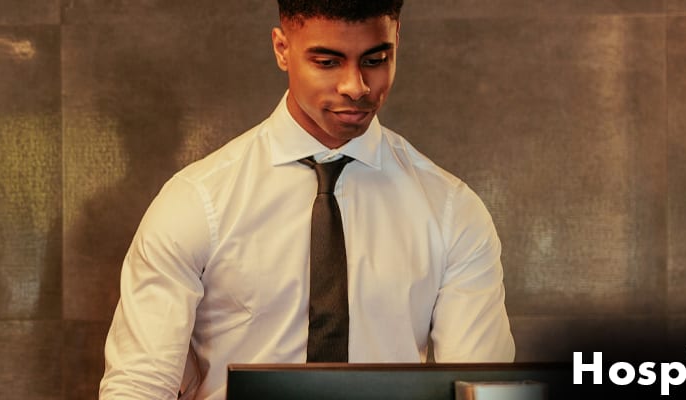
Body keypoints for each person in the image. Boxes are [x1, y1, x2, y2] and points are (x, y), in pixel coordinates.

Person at [98, 1, 514, 398]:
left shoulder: (451, 211)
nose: (356, 87)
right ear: (282, 48)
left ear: (396, 42)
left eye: (375, 60)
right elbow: (139, 385)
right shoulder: (196, 202)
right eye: (328, 61)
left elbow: (481, 388)